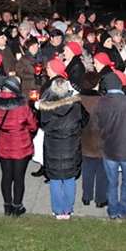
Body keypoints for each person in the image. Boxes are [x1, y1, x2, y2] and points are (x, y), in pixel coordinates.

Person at [95, 73, 126, 220]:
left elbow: (97, 125)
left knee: (112, 182)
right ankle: (124, 211)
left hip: (108, 148)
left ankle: (112, 210)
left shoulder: (100, 103)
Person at [36, 77, 85, 219]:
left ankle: (58, 210)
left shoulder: (46, 108)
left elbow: (41, 123)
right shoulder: (76, 105)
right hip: (71, 147)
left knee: (55, 180)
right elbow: (84, 120)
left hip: (53, 148)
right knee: (69, 179)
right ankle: (67, 209)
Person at [0, 76, 38, 216]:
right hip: (21, 145)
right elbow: (33, 125)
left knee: (6, 176)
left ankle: (7, 206)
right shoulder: (22, 105)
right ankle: (17, 206)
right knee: (19, 178)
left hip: (3, 143)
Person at [78, 71, 107, 208]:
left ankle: (86, 196)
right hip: (101, 142)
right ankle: (100, 199)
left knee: (87, 170)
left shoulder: (78, 99)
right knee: (102, 171)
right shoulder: (102, 100)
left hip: (85, 141)